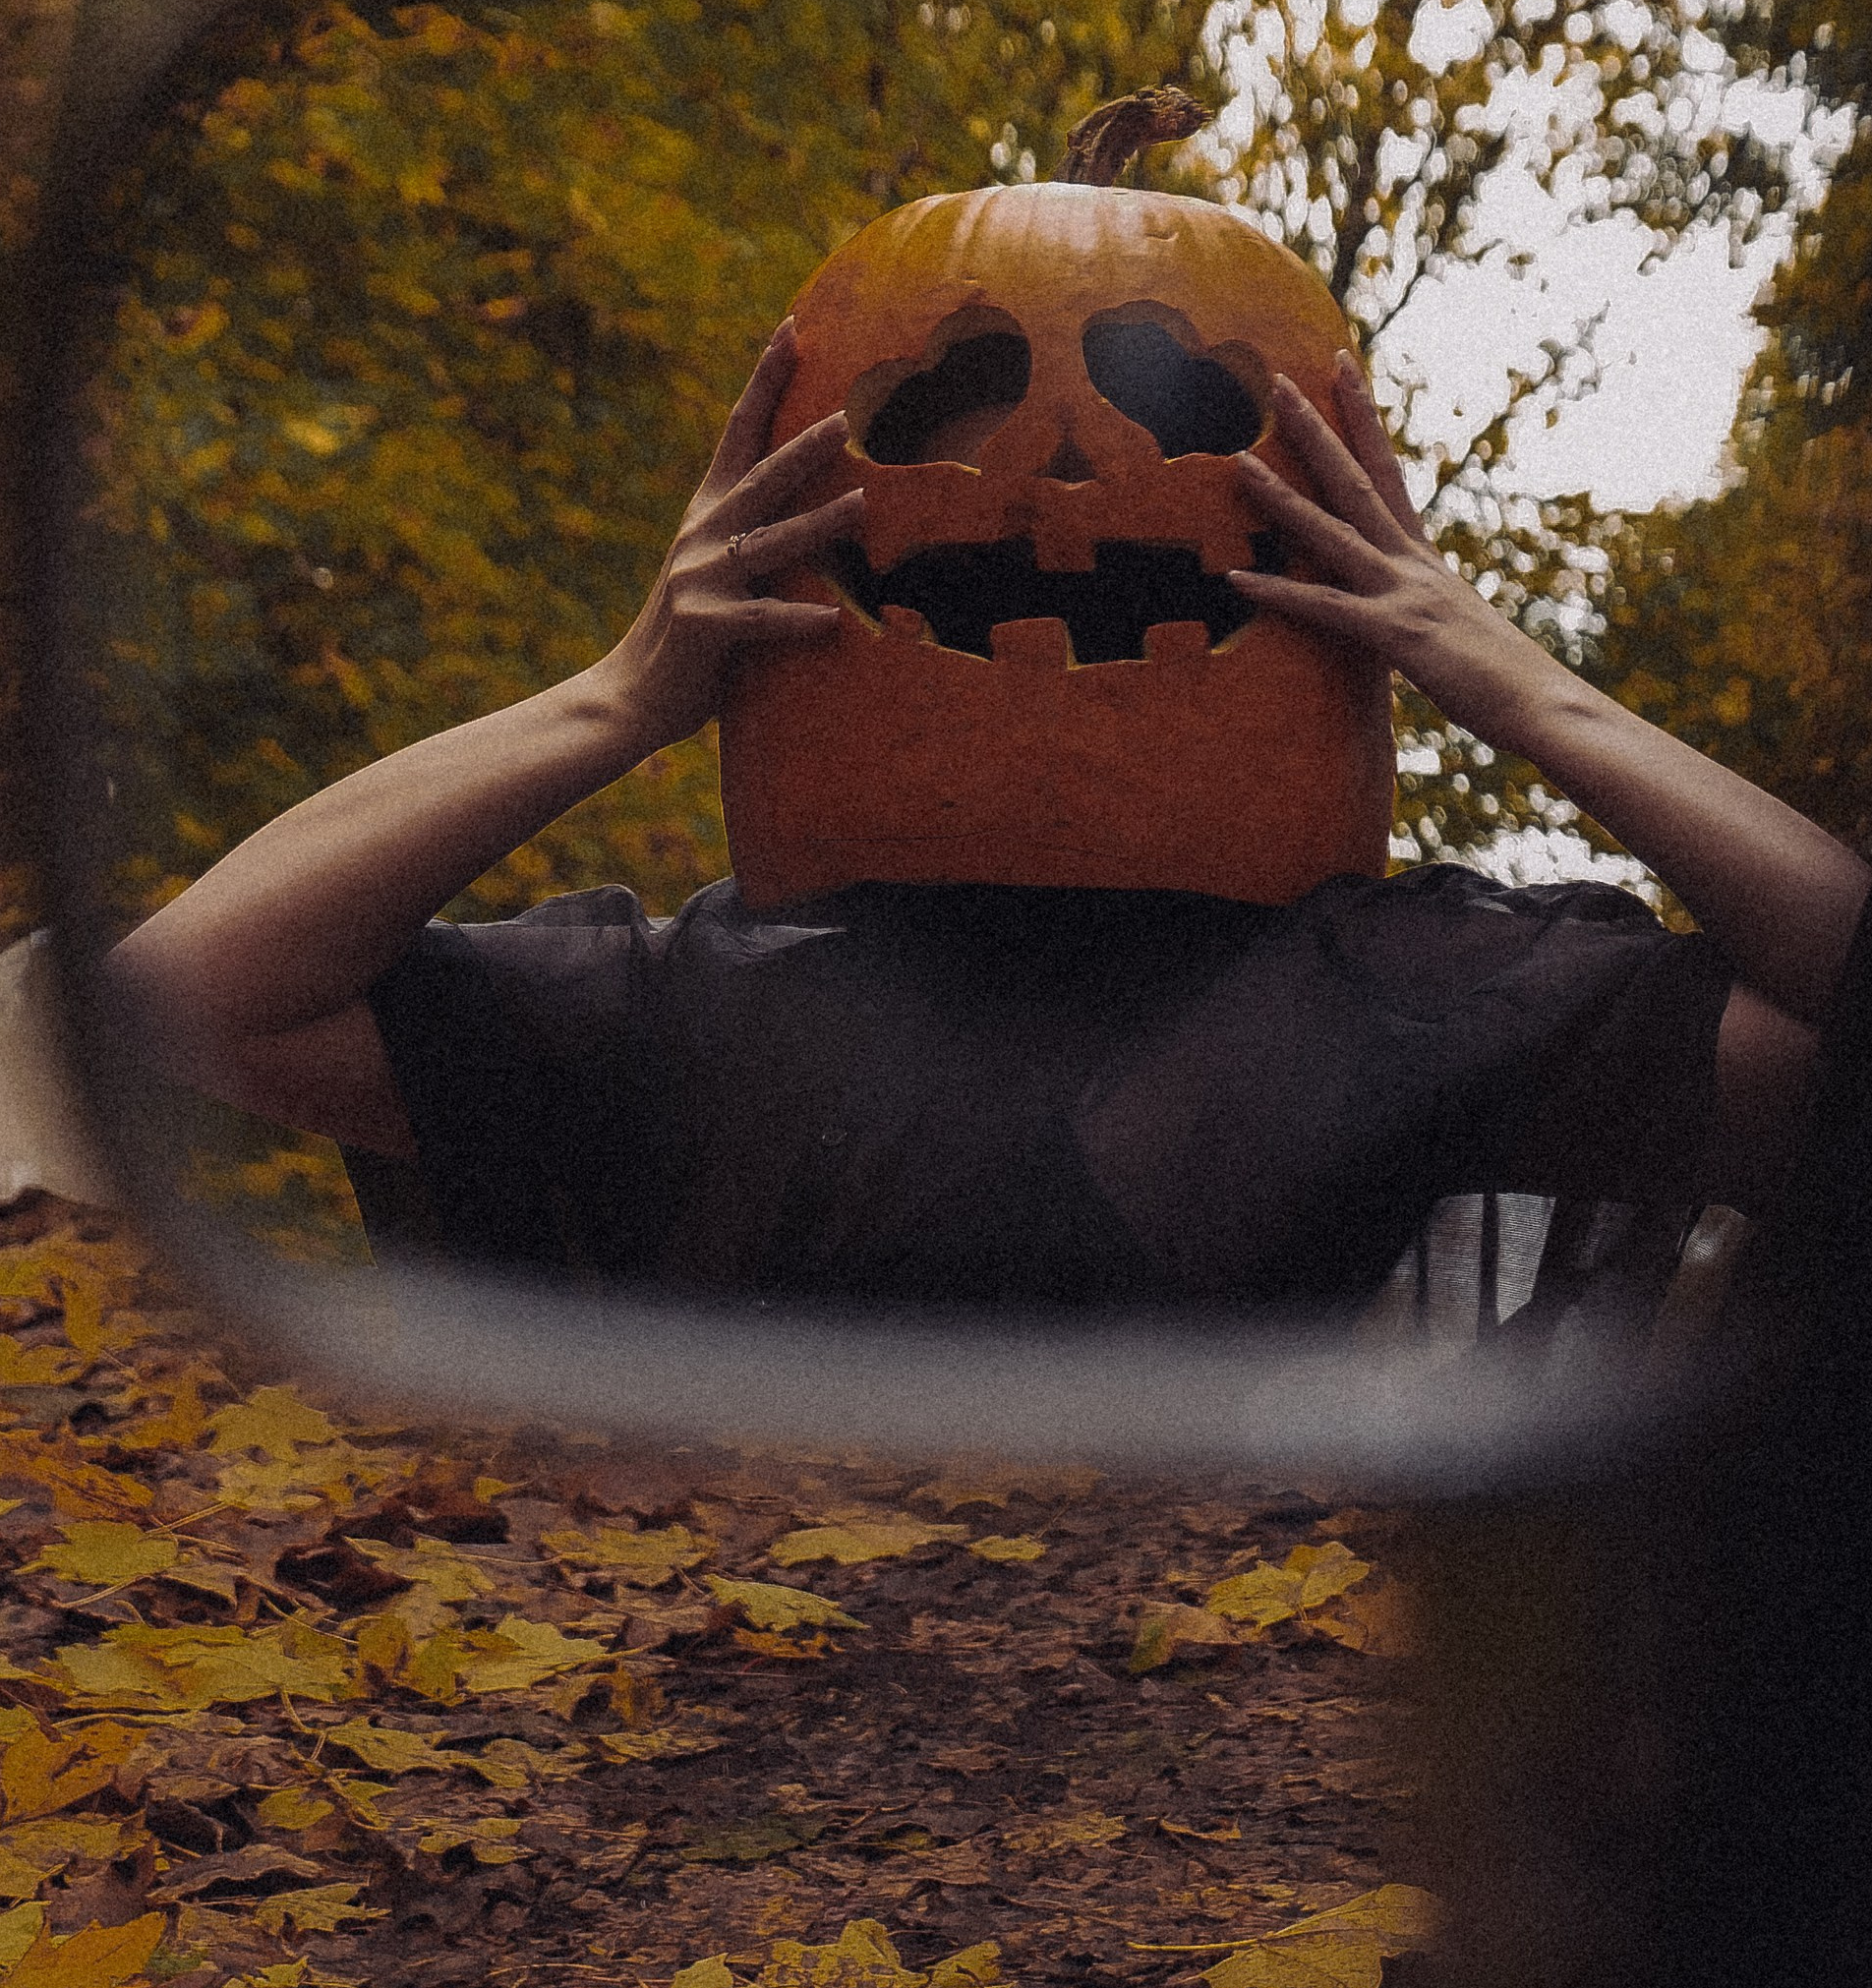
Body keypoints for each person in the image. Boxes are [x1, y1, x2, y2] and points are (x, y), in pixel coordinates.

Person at [102, 322, 1868, 1318]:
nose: (1058, 492)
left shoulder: (1423, 996)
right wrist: (616, 697)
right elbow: (184, 995)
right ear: (831, 564)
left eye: (1143, 490)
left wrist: (1509, 679)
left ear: (1297, 575)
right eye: (964, 491)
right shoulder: (725, 1009)